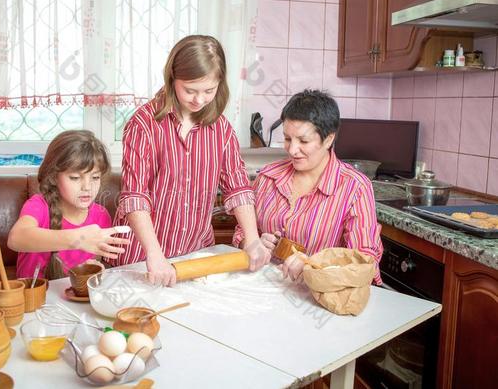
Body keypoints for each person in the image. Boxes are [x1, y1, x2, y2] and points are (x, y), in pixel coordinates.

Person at [112, 34, 271, 286]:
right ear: (172, 78)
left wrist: (252, 239)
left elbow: (238, 188)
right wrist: (155, 254)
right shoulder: (143, 123)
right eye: (190, 90)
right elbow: (135, 196)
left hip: (194, 256)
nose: (199, 100)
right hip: (143, 258)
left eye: (209, 90)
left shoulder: (221, 129)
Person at [233, 89, 383, 284]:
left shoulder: (355, 187)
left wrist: (313, 266)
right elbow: (241, 231)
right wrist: (253, 243)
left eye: (303, 141)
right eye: (287, 139)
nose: (293, 150)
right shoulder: (268, 176)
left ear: (329, 139)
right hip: (265, 289)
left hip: (316, 298)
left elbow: (364, 260)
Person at [8, 130, 129, 279]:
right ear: (53, 177)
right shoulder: (38, 206)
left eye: (95, 177)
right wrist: (77, 239)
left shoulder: (101, 215)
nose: (87, 187)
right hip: (34, 298)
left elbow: (94, 265)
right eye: (75, 177)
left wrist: (97, 268)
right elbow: (15, 238)